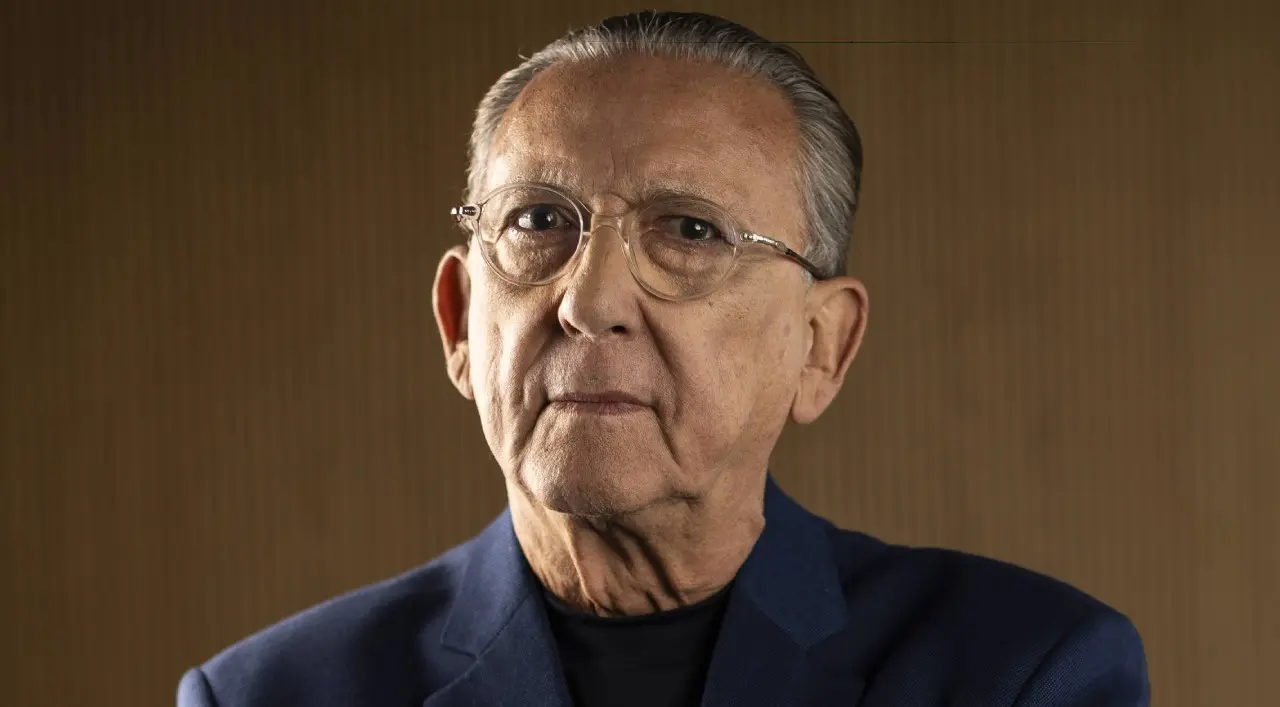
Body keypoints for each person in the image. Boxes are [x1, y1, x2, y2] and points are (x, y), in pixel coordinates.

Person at [178, 10, 1150, 707]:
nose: (589, 301)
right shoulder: (268, 693)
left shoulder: (1021, 670)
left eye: (689, 230)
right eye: (538, 222)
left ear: (821, 346)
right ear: (460, 321)